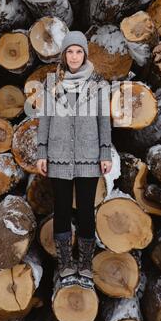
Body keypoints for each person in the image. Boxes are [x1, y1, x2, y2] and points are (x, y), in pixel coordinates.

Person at [36, 31, 112, 289]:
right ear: (64, 55)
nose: (74, 56)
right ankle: (66, 263)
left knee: (87, 212)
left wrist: (105, 153)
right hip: (58, 156)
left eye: (79, 51)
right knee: (62, 210)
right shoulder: (51, 82)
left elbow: (104, 120)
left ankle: (86, 263)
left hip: (89, 157)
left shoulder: (99, 82)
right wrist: (42, 152)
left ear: (85, 54)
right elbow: (44, 119)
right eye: (70, 51)